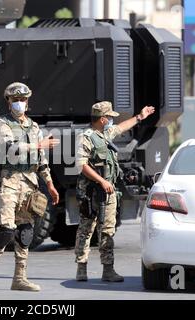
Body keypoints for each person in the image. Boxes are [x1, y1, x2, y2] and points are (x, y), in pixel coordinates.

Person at [0, 82, 60, 291]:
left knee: (25, 232)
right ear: (8, 102)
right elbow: (10, 147)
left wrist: (50, 184)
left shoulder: (34, 127)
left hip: (30, 182)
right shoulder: (2, 123)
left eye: (22, 100)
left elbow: (41, 160)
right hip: (10, 180)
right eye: (15, 100)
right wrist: (38, 145)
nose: (19, 104)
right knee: (6, 230)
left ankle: (19, 278)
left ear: (28, 101)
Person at [75, 101, 155, 282]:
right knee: (86, 230)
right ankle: (81, 268)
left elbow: (121, 127)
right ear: (102, 119)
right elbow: (82, 165)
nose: (112, 120)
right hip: (90, 192)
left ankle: (108, 270)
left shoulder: (105, 134)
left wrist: (140, 116)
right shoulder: (86, 137)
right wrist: (101, 181)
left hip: (108, 192)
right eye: (109, 117)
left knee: (107, 230)